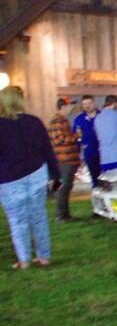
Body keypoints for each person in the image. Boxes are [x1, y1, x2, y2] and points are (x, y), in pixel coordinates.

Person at [0, 86, 60, 269]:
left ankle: (24, 260)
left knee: (17, 220)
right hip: (36, 175)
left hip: (10, 179)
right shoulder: (34, 122)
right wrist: (55, 175)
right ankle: (44, 257)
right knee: (38, 217)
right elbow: (47, 151)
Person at [48, 97, 81, 221]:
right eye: (69, 106)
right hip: (65, 160)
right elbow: (60, 140)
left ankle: (65, 214)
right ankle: (61, 216)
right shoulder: (59, 121)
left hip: (66, 160)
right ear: (63, 107)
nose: (71, 108)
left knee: (65, 187)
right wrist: (75, 136)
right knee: (64, 187)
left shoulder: (60, 120)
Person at [73, 95, 100, 183]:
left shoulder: (102, 116)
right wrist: (77, 155)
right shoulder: (79, 119)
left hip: (104, 151)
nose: (87, 106)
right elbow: (75, 137)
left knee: (106, 177)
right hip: (89, 152)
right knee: (94, 178)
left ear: (94, 103)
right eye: (84, 104)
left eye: (89, 103)